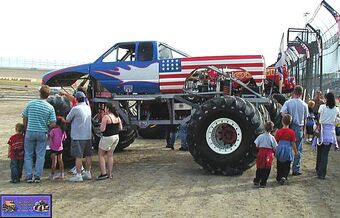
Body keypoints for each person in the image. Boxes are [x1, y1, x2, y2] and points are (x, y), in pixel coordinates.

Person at [22, 85, 56, 183]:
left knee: (28, 154)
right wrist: (46, 126)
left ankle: (28, 176)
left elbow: (24, 117)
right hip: (42, 132)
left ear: (39, 93)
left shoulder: (31, 104)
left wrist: (26, 127)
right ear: (48, 95)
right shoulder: (50, 107)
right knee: (40, 155)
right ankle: (37, 176)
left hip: (30, 131)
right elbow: (53, 123)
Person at [280, 85, 308, 176]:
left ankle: (285, 168)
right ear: (301, 93)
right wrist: (304, 131)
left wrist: (287, 119)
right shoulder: (304, 104)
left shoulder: (288, 102)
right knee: (298, 148)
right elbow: (305, 118)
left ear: (293, 92)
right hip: (299, 127)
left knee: (288, 147)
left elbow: (282, 112)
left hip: (290, 126)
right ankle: (296, 169)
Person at [66, 91, 92, 182]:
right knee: (88, 155)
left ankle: (78, 175)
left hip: (78, 135)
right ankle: (88, 172)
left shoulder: (75, 108)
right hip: (88, 134)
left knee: (78, 156)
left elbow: (67, 119)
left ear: (76, 99)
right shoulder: (88, 108)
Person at [315, 92, 340, 179]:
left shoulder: (322, 107)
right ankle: (322, 172)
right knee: (325, 153)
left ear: (327, 99)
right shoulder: (336, 109)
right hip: (331, 132)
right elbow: (337, 118)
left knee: (320, 151)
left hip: (322, 130)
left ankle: (318, 169)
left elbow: (318, 117)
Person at [97, 103, 122, 180]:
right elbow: (120, 128)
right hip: (116, 137)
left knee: (101, 154)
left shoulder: (106, 117)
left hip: (107, 137)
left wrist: (100, 124)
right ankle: (109, 173)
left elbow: (102, 129)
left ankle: (103, 173)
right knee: (110, 155)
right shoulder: (117, 117)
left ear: (107, 109)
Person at [275, 114, 298, 185]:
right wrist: (295, 152)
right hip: (288, 148)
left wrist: (275, 150)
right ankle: (284, 176)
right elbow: (293, 143)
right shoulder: (292, 132)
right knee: (287, 163)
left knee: (279, 163)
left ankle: (279, 176)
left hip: (280, 147)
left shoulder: (279, 131)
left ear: (282, 122)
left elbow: (276, 141)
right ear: (290, 122)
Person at [253, 121, 277, 188]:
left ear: (264, 128)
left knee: (259, 167)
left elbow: (256, 145)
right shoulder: (272, 138)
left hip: (261, 152)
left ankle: (257, 180)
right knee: (267, 168)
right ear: (272, 129)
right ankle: (263, 182)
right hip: (269, 154)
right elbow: (275, 147)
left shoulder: (260, 136)